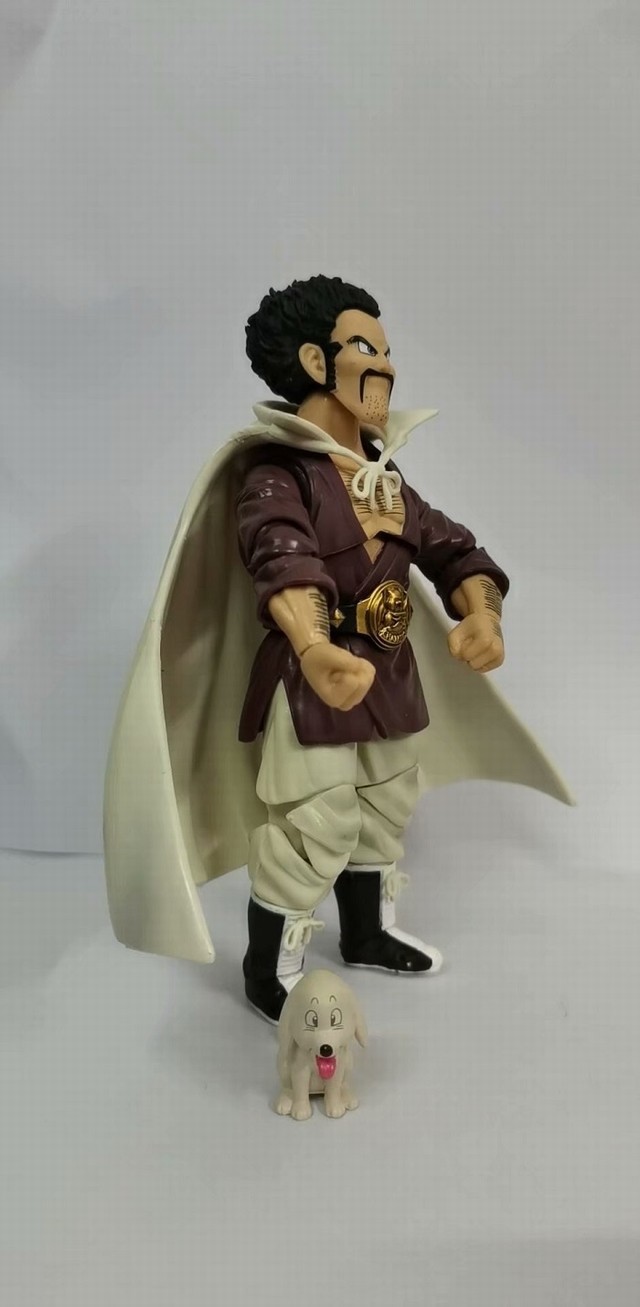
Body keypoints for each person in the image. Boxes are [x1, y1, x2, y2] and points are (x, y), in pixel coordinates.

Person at [103, 276, 573, 1024]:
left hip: (389, 673)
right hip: (310, 684)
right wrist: (314, 647)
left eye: (386, 350)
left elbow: (456, 551)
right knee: (314, 825)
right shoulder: (278, 473)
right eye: (365, 348)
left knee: (385, 806)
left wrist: (483, 613)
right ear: (316, 362)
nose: (385, 365)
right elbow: (281, 558)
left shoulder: (386, 478)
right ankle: (270, 970)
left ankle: (366, 932)